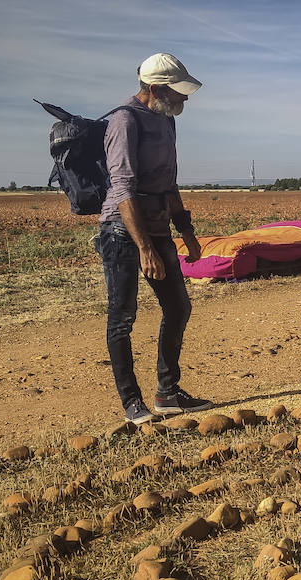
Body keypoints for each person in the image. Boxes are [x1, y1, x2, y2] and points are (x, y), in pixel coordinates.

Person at [96, 52, 213, 423]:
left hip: (160, 228)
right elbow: (123, 187)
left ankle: (167, 392)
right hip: (123, 231)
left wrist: (187, 232)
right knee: (122, 317)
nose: (185, 99)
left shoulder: (166, 122)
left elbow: (169, 183)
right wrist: (144, 246)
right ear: (154, 88)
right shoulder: (124, 121)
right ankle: (132, 403)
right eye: (178, 92)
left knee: (178, 307)